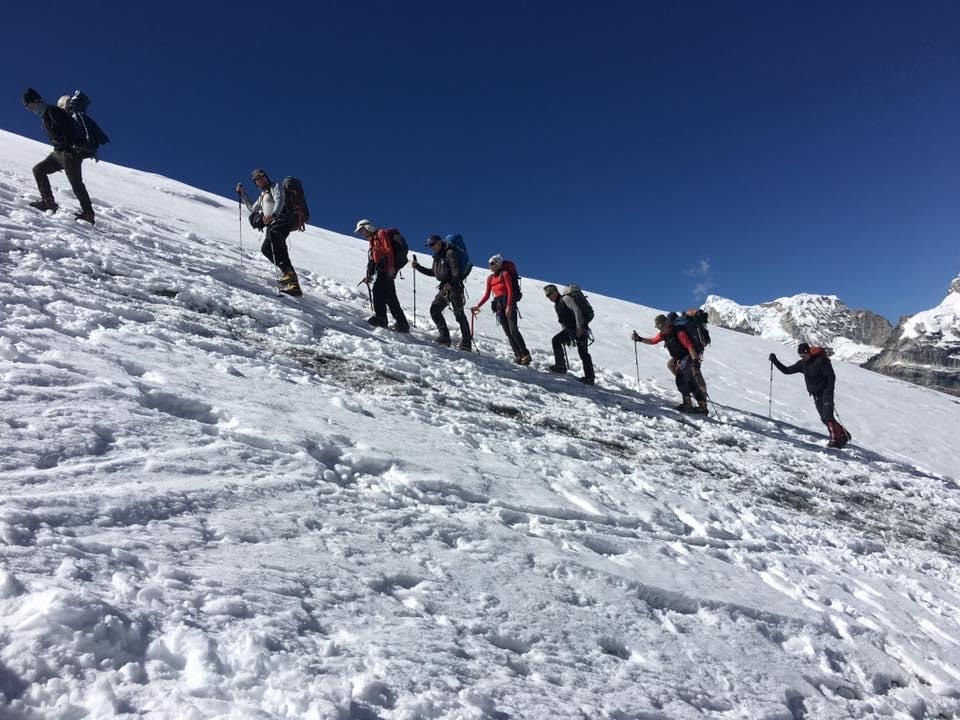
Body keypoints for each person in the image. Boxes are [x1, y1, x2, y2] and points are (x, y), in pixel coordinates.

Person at [21, 87, 96, 224]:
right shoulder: (45, 115)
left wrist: (72, 147)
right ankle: (48, 202)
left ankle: (88, 214)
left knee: (76, 184)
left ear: (36, 101)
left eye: (29, 105)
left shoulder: (53, 111)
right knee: (38, 170)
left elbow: (68, 129)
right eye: (27, 107)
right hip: (58, 153)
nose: (29, 109)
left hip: (69, 154)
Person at [770, 343, 852, 448]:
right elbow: (787, 371)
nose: (802, 358)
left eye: (803, 356)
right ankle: (843, 434)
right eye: (800, 356)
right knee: (824, 418)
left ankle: (835, 439)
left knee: (828, 416)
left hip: (826, 392)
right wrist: (775, 361)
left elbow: (831, 376)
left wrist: (829, 391)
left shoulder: (821, 361)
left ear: (808, 352)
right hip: (816, 394)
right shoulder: (802, 364)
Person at [236, 169, 301, 296]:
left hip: (280, 221)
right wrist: (243, 194)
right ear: (255, 182)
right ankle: (293, 284)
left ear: (266, 177)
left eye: (262, 177)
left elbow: (279, 199)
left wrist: (274, 214)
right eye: (257, 179)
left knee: (272, 245)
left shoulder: (275, 186)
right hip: (272, 224)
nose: (260, 180)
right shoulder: (262, 196)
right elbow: (252, 208)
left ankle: (289, 275)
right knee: (273, 250)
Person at [633, 314, 708, 414]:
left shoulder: (679, 332)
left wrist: (695, 363)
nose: (660, 329)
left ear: (667, 323)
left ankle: (694, 405)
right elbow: (652, 341)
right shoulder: (663, 334)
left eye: (661, 326)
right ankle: (694, 403)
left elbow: (690, 347)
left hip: (689, 356)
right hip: (680, 358)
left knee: (683, 378)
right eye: (658, 327)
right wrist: (640, 339)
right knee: (675, 369)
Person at [412, 234, 472, 350]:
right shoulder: (437, 257)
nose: (432, 247)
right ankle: (444, 337)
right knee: (434, 309)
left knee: (459, 315)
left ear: (439, 242)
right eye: (430, 245)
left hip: (454, 288)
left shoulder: (449, 253)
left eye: (433, 244)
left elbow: (456, 271)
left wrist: (451, 283)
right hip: (444, 288)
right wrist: (418, 267)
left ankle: (466, 343)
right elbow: (433, 272)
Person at [471, 255, 531, 365]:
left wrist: (509, 306)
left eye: (493, 263)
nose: (490, 266)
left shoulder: (505, 274)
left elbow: (510, 291)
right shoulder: (490, 279)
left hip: (509, 302)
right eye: (489, 263)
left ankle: (525, 354)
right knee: (508, 332)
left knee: (513, 329)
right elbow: (487, 295)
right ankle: (517, 355)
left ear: (498, 264)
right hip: (498, 305)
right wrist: (478, 305)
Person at [355, 219, 410, 332]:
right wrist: (368, 275)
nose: (361, 233)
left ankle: (381, 318)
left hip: (386, 268)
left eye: (361, 230)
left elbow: (388, 249)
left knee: (377, 290)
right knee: (390, 298)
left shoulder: (381, 233)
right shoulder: (372, 240)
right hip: (383, 269)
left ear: (367, 227)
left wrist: (391, 267)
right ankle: (402, 323)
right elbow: (373, 260)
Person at [543, 284, 595, 385]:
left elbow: (577, 311)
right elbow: (562, 321)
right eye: (547, 296)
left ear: (555, 292)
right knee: (558, 341)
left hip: (579, 329)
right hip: (571, 330)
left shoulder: (565, 299)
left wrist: (579, 328)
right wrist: (566, 334)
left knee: (582, 352)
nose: (549, 297)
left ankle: (588, 377)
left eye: (549, 294)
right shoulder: (557, 304)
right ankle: (562, 367)